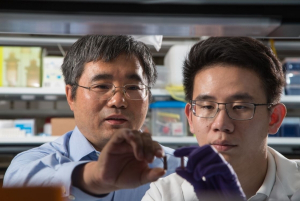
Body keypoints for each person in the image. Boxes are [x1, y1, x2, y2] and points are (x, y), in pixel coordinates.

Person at [3, 35, 181, 201]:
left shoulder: (177, 168)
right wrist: (93, 176)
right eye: (102, 86)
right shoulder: (30, 163)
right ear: (71, 96)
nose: (118, 101)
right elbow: (19, 184)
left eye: (134, 87)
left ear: (148, 97)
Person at [142, 37, 300, 201]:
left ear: (274, 118)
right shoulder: (164, 195)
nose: (221, 124)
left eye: (240, 107)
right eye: (207, 106)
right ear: (190, 117)